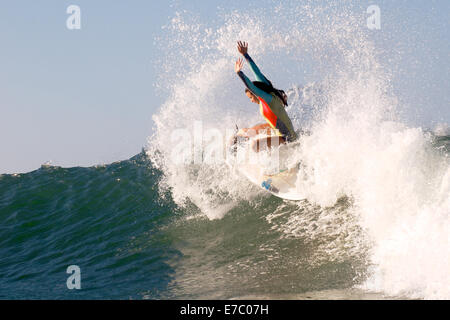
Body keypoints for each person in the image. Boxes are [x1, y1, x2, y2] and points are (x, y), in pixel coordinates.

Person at [234, 41, 297, 152]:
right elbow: (257, 72)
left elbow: (252, 87)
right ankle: (237, 140)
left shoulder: (269, 100)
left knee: (255, 144)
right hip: (281, 133)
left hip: (288, 138)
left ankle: (265, 167)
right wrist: (245, 55)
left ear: (256, 94)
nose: (251, 101)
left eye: (251, 97)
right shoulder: (270, 92)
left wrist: (240, 73)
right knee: (247, 131)